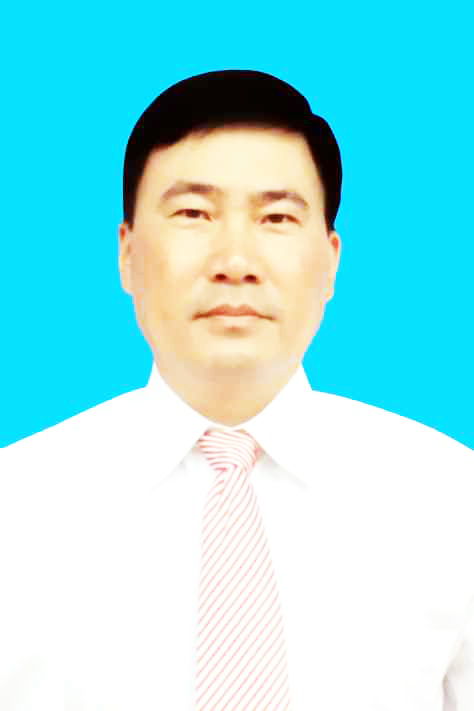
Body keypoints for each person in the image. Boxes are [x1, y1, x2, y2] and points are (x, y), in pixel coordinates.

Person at [1, 69, 473, 711]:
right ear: (127, 253)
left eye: (276, 217)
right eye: (193, 214)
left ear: (331, 260)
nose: (235, 262)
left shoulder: (451, 502)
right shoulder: (16, 508)